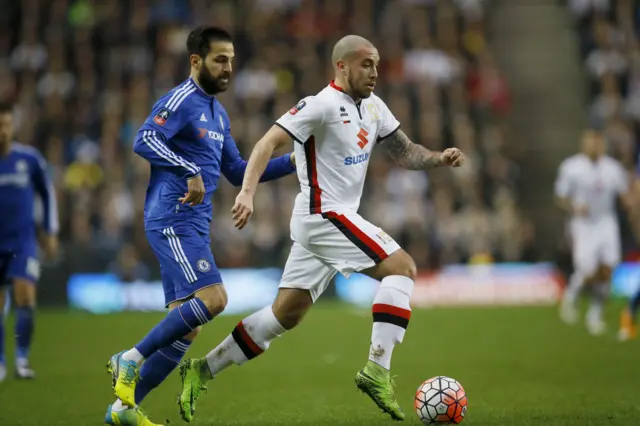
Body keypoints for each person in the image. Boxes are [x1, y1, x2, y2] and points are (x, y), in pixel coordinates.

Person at [176, 34, 464, 422]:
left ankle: (201, 369)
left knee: (284, 315)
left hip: (327, 221)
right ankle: (377, 369)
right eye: (366, 64)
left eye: (377, 64)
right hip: (324, 214)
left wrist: (438, 159)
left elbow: (405, 150)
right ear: (341, 66)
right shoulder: (320, 105)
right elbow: (265, 144)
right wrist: (246, 193)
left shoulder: (375, 107)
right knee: (403, 268)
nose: (375, 72)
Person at [105, 26, 296, 426]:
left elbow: (238, 171)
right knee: (214, 300)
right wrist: (188, 168)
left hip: (194, 222)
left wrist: (297, 162)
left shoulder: (217, 113)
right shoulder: (182, 99)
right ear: (196, 61)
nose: (228, 68)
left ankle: (123, 410)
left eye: (231, 60)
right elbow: (144, 139)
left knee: (186, 330)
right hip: (172, 216)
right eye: (219, 60)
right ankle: (130, 358)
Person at [0, 102, 59, 382]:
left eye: (6, 125)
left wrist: (49, 231)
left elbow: (47, 194)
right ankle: (0, 362)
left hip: (22, 242)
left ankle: (21, 359)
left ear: (13, 127)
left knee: (25, 294)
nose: (3, 131)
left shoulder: (29, 159)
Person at [556, 129, 631, 336]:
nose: (594, 147)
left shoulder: (613, 168)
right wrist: (574, 206)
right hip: (583, 223)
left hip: (606, 221)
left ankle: (595, 314)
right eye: (590, 143)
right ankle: (570, 297)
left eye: (597, 143)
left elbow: (625, 195)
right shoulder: (571, 167)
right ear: (583, 145)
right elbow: (561, 196)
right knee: (587, 270)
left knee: (608, 269)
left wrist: (631, 205)